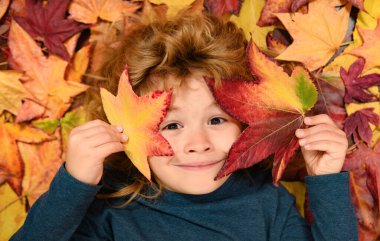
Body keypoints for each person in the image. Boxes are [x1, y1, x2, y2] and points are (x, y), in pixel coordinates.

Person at [11, 12, 358, 241]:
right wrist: (75, 183)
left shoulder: (268, 204)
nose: (198, 143)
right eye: (171, 125)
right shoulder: (113, 209)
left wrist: (325, 181)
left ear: (249, 123)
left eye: (217, 119)